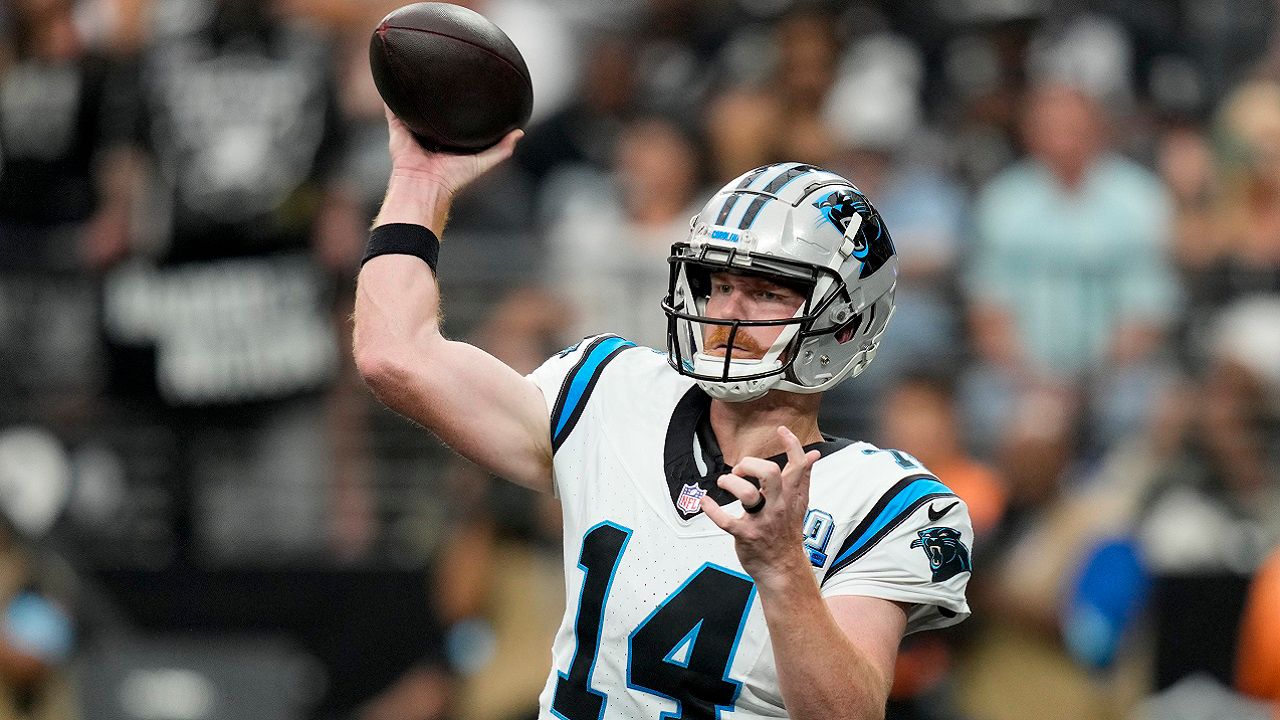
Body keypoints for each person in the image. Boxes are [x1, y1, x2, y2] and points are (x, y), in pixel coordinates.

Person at [353, 109, 974, 718]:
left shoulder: (888, 501)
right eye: (716, 283)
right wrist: (420, 182)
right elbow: (395, 357)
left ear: (844, 326)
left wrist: (785, 570)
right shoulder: (611, 388)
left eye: (765, 292)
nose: (728, 311)